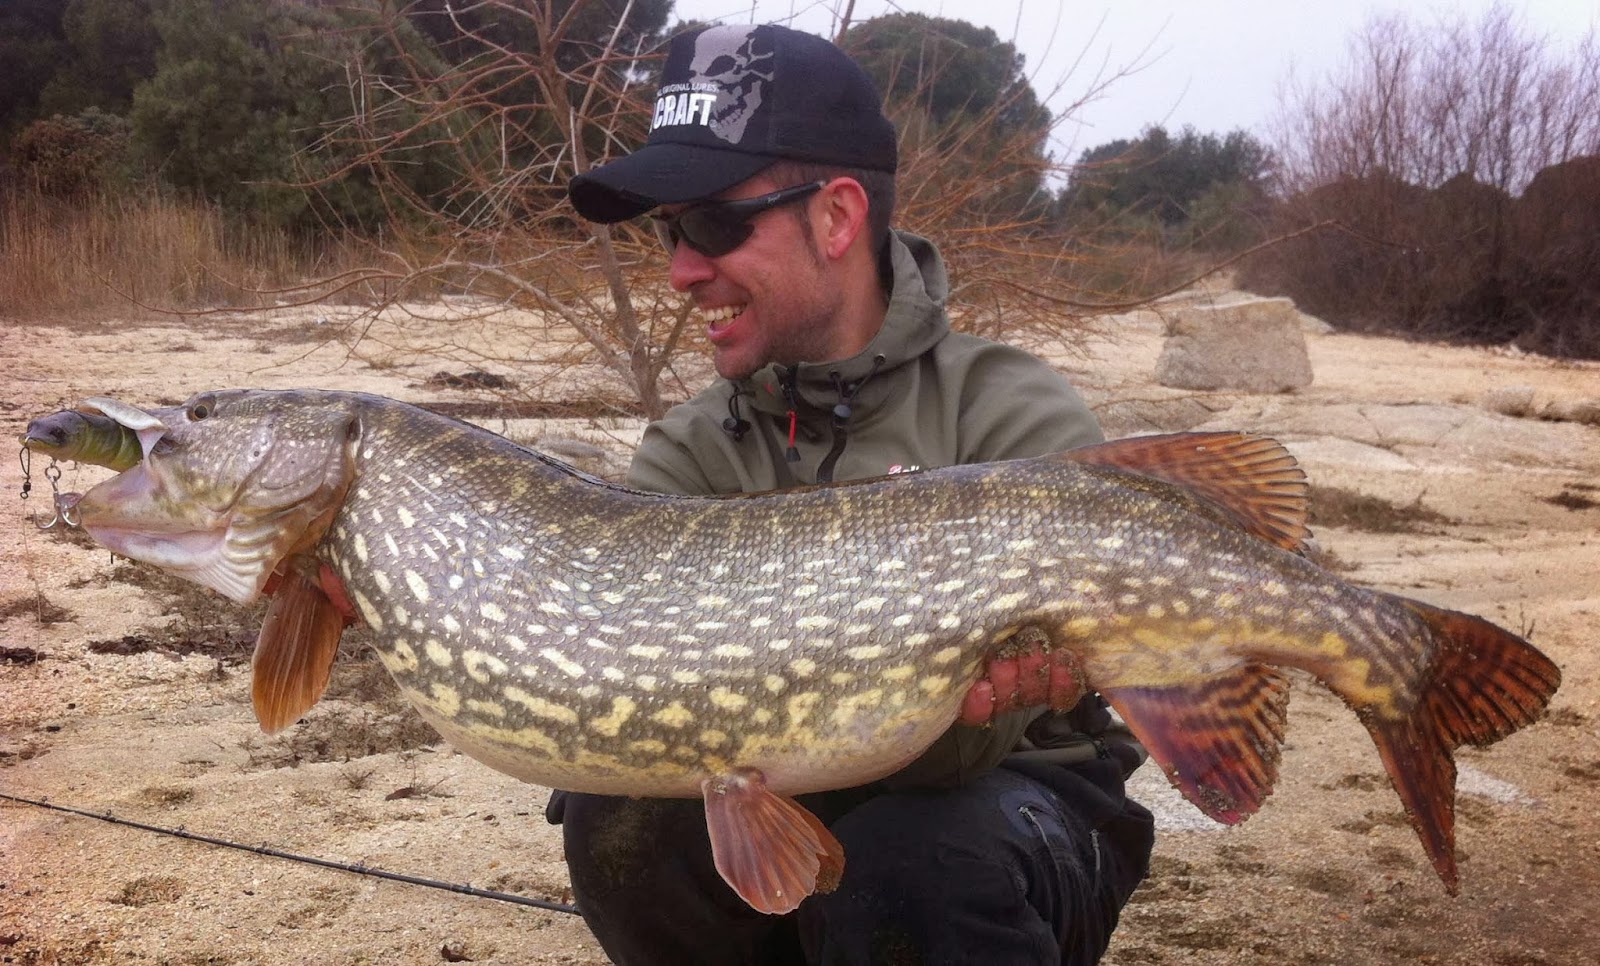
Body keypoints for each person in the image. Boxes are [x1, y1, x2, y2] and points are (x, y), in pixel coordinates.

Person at [552, 23, 1153, 965]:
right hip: (797, 793)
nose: (679, 271)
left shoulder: (1010, 412)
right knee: (621, 819)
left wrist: (987, 694)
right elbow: (650, 708)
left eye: (713, 223)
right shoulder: (691, 451)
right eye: (670, 232)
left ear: (836, 218)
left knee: (915, 864)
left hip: (1014, 806)